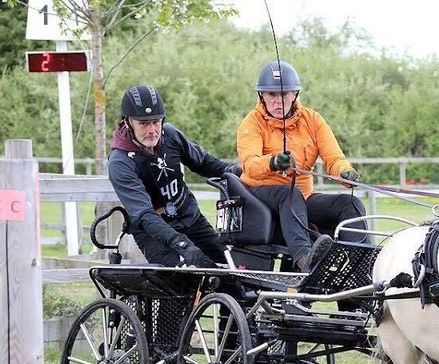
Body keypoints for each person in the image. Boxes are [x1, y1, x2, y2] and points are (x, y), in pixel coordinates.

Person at [236, 60, 368, 272]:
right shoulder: (252, 123)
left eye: (284, 94)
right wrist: (273, 162)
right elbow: (250, 165)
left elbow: (334, 158)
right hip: (260, 195)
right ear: (262, 96)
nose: (278, 101)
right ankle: (306, 261)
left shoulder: (313, 120)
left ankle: (359, 266)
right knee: (290, 193)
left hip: (302, 197)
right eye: (272, 95)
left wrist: (345, 172)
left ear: (295, 94)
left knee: (349, 203)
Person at [108, 85, 240, 268]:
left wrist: (239, 172)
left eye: (156, 122)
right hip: (153, 231)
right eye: (143, 124)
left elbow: (205, 164)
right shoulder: (120, 162)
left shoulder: (170, 135)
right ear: (128, 122)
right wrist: (182, 245)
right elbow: (144, 214)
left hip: (189, 217)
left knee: (229, 268)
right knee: (179, 278)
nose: (152, 130)